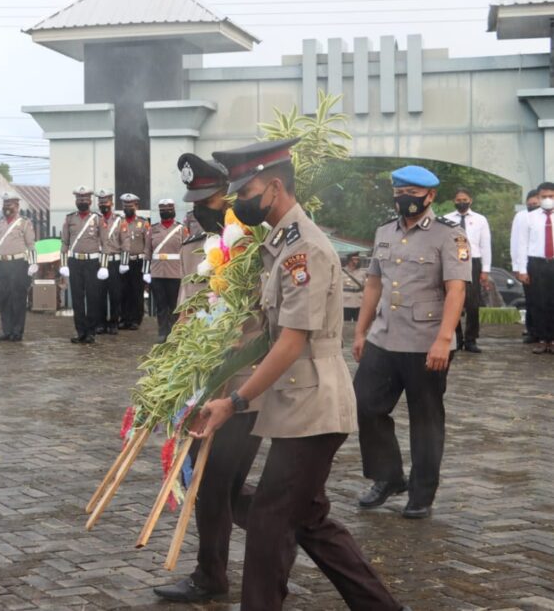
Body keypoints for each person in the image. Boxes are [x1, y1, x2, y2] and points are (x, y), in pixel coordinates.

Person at [193, 138, 402, 611]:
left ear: (274, 187)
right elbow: (267, 331)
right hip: (298, 403)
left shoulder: (302, 249)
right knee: (309, 518)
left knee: (269, 523)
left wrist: (235, 401)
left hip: (314, 404)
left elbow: (290, 342)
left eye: (247, 191)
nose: (240, 201)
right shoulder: (280, 243)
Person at [153, 157, 265, 604]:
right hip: (202, 384)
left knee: (217, 484)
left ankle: (214, 573)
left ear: (229, 194)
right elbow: (186, 312)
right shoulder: (192, 244)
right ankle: (282, 536)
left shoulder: (255, 243)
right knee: (219, 486)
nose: (201, 208)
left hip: (243, 385)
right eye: (195, 201)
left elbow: (268, 319)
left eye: (209, 199)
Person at [352, 165, 469, 520]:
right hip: (384, 338)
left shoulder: (450, 236)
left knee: (426, 420)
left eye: (413, 193)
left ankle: (421, 494)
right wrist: (360, 332)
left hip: (426, 342)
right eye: (400, 192)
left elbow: (456, 289)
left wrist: (444, 339)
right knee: (365, 405)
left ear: (430, 196)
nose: (405, 199)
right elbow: (373, 284)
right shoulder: (384, 231)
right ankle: (388, 477)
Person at [443, 187, 491, 353]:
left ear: (470, 200)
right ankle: (456, 337)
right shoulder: (445, 219)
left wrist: (485, 270)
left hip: (474, 261)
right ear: (453, 201)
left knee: (472, 303)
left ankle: (471, 339)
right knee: (452, 300)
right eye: (458, 200)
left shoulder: (480, 219)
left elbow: (486, 245)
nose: (461, 202)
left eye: (464, 199)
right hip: (453, 261)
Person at [0, 192, 38, 341]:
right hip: (2, 264)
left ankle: (17, 331)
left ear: (17, 207)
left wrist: (33, 262)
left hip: (18, 264)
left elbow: (31, 245)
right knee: (3, 298)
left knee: (18, 298)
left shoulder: (24, 223)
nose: (7, 208)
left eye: (10, 205)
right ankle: (6, 330)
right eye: (5, 205)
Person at [511, 181, 554, 354]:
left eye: (551, 196)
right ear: (538, 197)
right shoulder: (529, 217)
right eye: (544, 197)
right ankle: (543, 339)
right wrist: (522, 269)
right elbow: (522, 244)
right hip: (536, 263)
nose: (548, 200)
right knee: (539, 302)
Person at [60, 186, 104, 344]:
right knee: (77, 298)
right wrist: (64, 264)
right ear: (76, 201)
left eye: (85, 199)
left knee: (92, 297)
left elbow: (105, 244)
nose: (82, 202)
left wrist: (104, 266)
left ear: (90, 201)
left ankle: (91, 331)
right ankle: (80, 331)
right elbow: (64, 243)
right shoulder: (70, 218)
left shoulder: (98, 219)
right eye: (79, 199)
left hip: (92, 262)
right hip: (75, 262)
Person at [145, 198, 184, 342]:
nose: (165, 212)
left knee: (174, 306)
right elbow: (147, 252)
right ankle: (162, 332)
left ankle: (174, 333)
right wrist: (146, 273)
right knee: (161, 305)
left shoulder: (181, 229)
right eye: (162, 210)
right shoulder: (153, 229)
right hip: (157, 273)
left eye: (168, 210)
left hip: (175, 273)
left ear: (173, 211)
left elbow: (185, 252)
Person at [511, 189, 541, 343]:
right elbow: (516, 242)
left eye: (535, 204)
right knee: (531, 298)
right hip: (527, 263)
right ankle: (532, 330)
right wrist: (516, 266)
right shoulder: (521, 217)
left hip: (544, 262)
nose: (532, 207)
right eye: (529, 205)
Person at [95, 189, 126, 335]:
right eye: (101, 202)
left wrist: (124, 263)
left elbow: (125, 242)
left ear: (111, 203)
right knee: (99, 294)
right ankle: (100, 323)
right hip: (99, 261)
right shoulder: (94, 219)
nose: (103, 205)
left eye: (105, 202)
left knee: (115, 294)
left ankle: (113, 322)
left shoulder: (120, 220)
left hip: (114, 262)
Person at [118, 193, 150, 330]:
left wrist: (147, 266)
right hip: (123, 262)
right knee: (123, 291)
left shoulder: (143, 223)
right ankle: (124, 318)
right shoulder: (119, 222)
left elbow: (148, 244)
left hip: (138, 261)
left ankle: (136, 319)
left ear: (136, 206)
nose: (128, 208)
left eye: (130, 206)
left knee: (137, 292)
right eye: (125, 206)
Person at [341, 253, 365, 322]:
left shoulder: (362, 273)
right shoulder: (341, 272)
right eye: (354, 259)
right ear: (349, 261)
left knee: (358, 323)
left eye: (357, 259)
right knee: (345, 323)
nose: (356, 261)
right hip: (346, 303)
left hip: (359, 303)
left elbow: (365, 287)